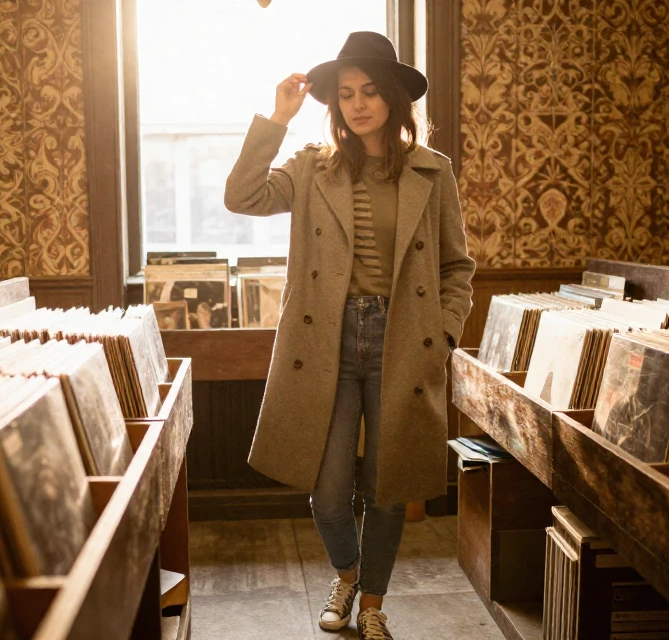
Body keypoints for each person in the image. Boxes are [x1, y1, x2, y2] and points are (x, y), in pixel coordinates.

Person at [223, 31, 475, 639]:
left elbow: (456, 266)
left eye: (369, 92)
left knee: (388, 488)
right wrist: (277, 120)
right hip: (327, 343)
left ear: (392, 97)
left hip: (403, 341)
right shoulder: (313, 166)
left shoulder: (431, 171)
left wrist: (440, 335)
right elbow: (242, 196)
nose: (358, 104)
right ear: (333, 104)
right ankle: (348, 573)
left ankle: (372, 606)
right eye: (345, 94)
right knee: (329, 490)